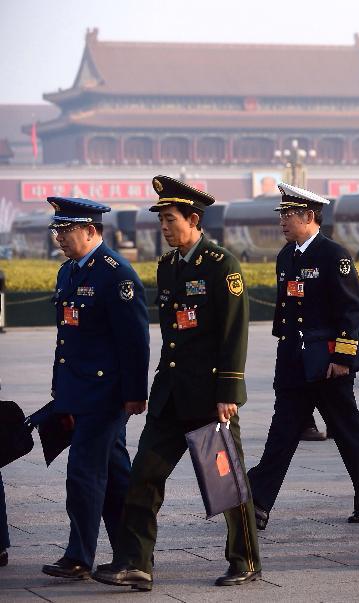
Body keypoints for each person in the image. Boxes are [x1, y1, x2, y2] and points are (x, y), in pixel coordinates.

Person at [93, 176, 260, 590]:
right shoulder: (167, 266)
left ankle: (245, 560)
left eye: (170, 219)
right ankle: (135, 562)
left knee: (226, 485)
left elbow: (233, 334)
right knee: (143, 477)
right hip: (170, 394)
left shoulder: (222, 266)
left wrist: (227, 394)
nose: (164, 228)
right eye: (161, 221)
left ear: (194, 219)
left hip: (208, 397)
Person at [248, 183, 359, 530]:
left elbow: (351, 313)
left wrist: (344, 359)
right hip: (294, 362)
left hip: (328, 365)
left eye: (288, 215)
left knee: (347, 431)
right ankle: (258, 502)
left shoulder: (334, 255)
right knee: (282, 433)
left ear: (309, 216)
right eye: (282, 215)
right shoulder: (286, 256)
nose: (282, 222)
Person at [40, 197, 150, 580]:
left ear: (91, 230)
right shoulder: (69, 272)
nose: (60, 238)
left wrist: (136, 393)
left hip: (106, 395)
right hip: (79, 391)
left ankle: (78, 556)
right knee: (116, 477)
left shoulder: (115, 274)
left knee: (83, 474)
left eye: (66, 230)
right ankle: (132, 556)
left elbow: (134, 341)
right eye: (57, 230)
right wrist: (61, 391)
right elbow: (67, 340)